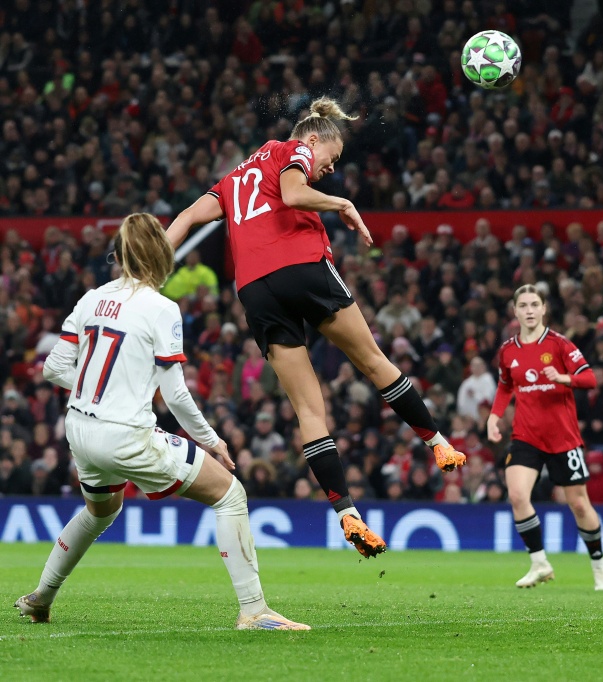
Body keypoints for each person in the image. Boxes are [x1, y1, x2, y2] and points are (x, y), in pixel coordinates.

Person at [166, 97, 467, 557]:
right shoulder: (292, 150)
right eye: (333, 157)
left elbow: (187, 218)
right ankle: (438, 443)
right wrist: (342, 203)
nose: (331, 167)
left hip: (255, 289)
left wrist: (149, 268)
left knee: (309, 409)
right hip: (300, 265)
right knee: (372, 360)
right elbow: (292, 194)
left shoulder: (233, 178)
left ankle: (346, 511)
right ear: (313, 139)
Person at [15, 214, 307, 631]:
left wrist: (98, 389)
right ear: (162, 256)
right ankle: (254, 610)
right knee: (230, 495)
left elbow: (54, 367)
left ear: (120, 256)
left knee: (99, 512)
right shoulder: (162, 309)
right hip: (125, 434)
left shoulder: (91, 298)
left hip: (79, 429)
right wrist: (212, 440)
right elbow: (176, 395)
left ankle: (41, 597)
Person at [487, 284, 603, 591]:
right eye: (523, 305)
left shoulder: (560, 344)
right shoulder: (507, 351)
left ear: (544, 309)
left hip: (563, 438)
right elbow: (505, 386)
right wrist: (494, 416)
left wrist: (564, 378)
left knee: (579, 505)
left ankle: (599, 569)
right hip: (526, 435)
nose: (529, 310)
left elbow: (590, 378)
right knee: (517, 496)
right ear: (515, 311)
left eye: (534, 304)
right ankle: (540, 563)